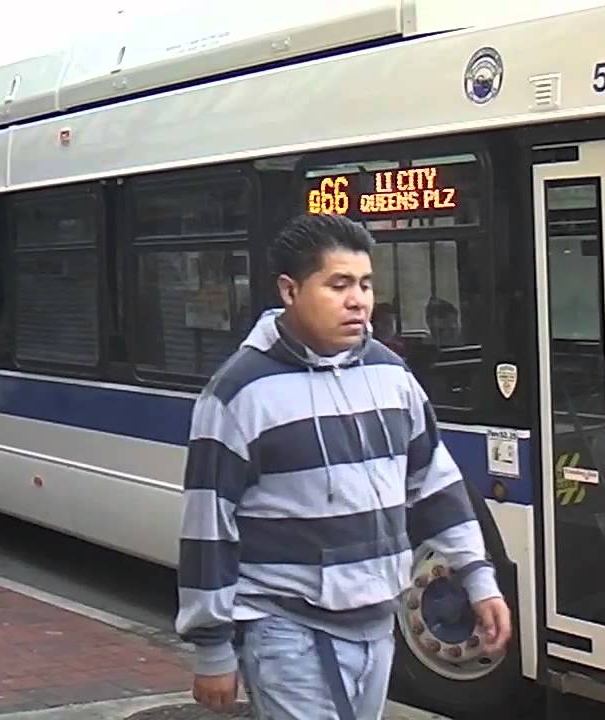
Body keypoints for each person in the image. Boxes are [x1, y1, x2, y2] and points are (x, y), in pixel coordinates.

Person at [175, 213, 512, 719]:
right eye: (338, 285)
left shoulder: (391, 374)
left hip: (378, 624)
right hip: (284, 628)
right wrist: (213, 648)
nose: (358, 300)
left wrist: (477, 578)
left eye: (365, 284)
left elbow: (434, 483)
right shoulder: (238, 394)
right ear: (290, 291)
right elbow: (208, 528)